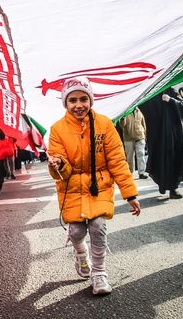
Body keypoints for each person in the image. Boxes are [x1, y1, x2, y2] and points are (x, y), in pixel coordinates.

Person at [47, 76, 140, 295]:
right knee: (76, 231)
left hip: (99, 186)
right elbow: (62, 173)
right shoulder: (57, 129)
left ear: (91, 100)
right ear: (65, 103)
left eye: (83, 99)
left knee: (98, 227)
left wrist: (130, 194)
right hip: (71, 190)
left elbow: (118, 161)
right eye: (72, 100)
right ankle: (81, 254)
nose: (78, 105)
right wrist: (58, 163)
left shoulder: (105, 124)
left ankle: (99, 273)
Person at [139, 88, 183, 199]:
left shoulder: (171, 91)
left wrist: (171, 100)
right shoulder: (151, 92)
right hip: (158, 137)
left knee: (174, 160)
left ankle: (173, 188)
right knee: (159, 161)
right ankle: (162, 184)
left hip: (174, 136)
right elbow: (142, 107)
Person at [118, 107, 148, 179]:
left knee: (141, 154)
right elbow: (122, 125)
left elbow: (143, 123)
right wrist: (123, 118)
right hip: (128, 138)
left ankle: (141, 173)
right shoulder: (125, 111)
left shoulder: (139, 111)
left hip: (140, 136)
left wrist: (145, 135)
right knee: (130, 157)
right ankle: (130, 172)